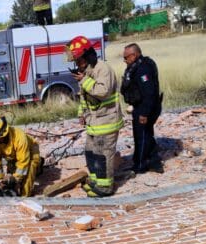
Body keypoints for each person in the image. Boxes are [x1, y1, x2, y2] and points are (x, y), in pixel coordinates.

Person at [66, 35, 123, 198]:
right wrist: (81, 113)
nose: (77, 64)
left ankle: (105, 188)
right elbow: (84, 97)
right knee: (91, 153)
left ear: (87, 56)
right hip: (94, 123)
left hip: (107, 122)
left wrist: (84, 80)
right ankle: (95, 181)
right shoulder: (87, 71)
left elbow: (102, 92)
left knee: (103, 155)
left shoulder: (102, 69)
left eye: (79, 60)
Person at [121, 43, 163, 174]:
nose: (125, 60)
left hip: (146, 107)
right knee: (145, 135)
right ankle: (154, 163)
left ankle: (140, 165)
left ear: (134, 55)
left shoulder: (143, 69)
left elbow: (149, 93)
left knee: (142, 136)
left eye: (126, 57)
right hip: (140, 106)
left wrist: (144, 113)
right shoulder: (136, 66)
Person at [0, 116, 42, 197]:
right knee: (10, 182)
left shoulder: (20, 137)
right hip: (12, 156)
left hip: (30, 151)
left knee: (28, 173)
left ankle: (24, 197)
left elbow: (23, 163)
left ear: (3, 134)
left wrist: (16, 179)